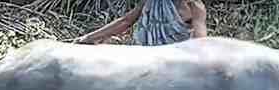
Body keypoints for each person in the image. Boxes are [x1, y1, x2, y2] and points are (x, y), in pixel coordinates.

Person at [76, 0, 207, 46]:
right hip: (142, 59)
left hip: (171, 66)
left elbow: (199, 45)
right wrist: (88, 38)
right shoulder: (152, 1)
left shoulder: (195, 7)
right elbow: (125, 21)